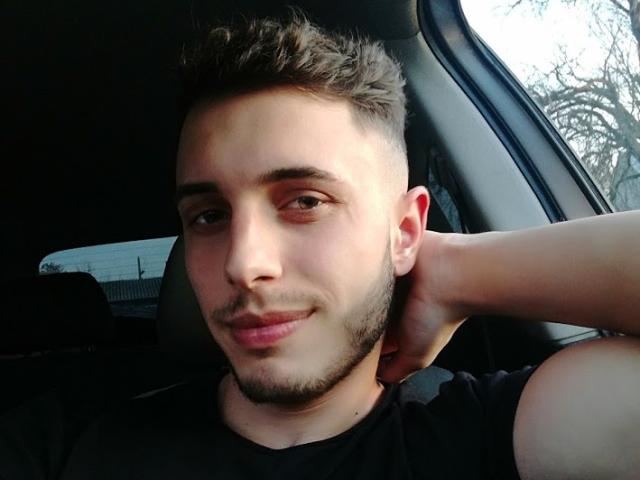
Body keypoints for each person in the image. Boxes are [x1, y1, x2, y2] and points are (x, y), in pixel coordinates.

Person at [4, 12, 639, 480]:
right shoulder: (67, 441)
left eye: (304, 202)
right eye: (209, 216)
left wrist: (454, 269)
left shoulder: (492, 434)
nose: (244, 264)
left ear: (405, 231)